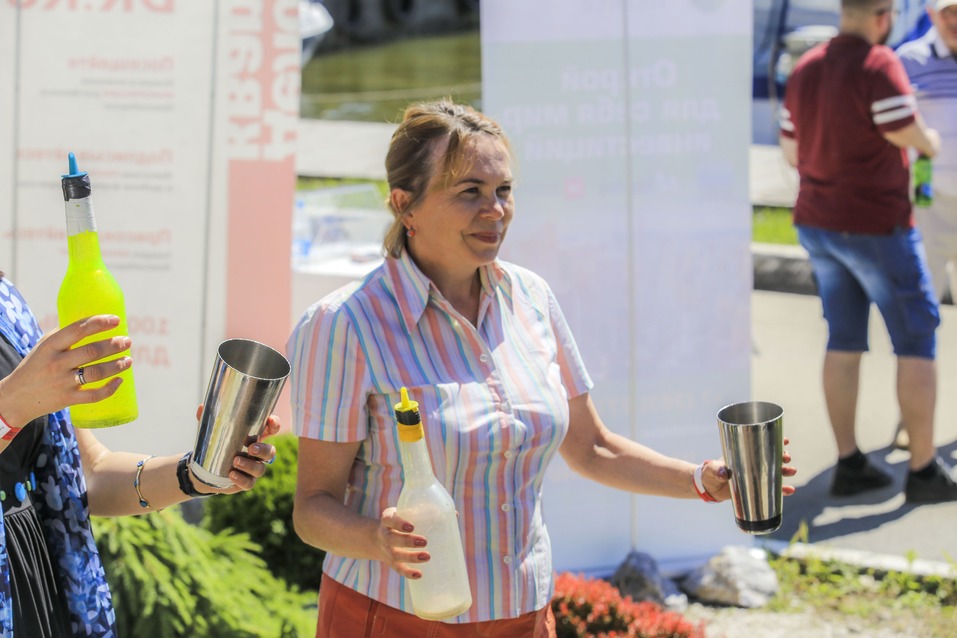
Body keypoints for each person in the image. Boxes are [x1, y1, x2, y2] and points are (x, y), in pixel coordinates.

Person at [288, 99, 797, 637]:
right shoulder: (344, 323)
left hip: (526, 616)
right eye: (469, 192)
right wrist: (376, 539)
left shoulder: (532, 298)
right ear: (404, 205)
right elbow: (313, 507)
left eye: (503, 190)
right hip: (396, 616)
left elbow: (593, 447)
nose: (496, 210)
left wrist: (703, 480)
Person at [0, 272, 280, 637]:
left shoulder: (9, 307)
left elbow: (90, 472)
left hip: (32, 581)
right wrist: (9, 410)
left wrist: (195, 474)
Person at [779, 0, 957, 503]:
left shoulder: (807, 65)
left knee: (843, 340)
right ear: (884, 16)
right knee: (917, 337)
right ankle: (923, 470)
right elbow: (907, 132)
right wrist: (933, 142)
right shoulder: (880, 65)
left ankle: (849, 461)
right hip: (877, 225)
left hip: (818, 220)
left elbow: (790, 147)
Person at [898, 0, 957, 304]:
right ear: (932, 14)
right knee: (922, 300)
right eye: (949, 12)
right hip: (926, 199)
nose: (955, 21)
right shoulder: (909, 60)